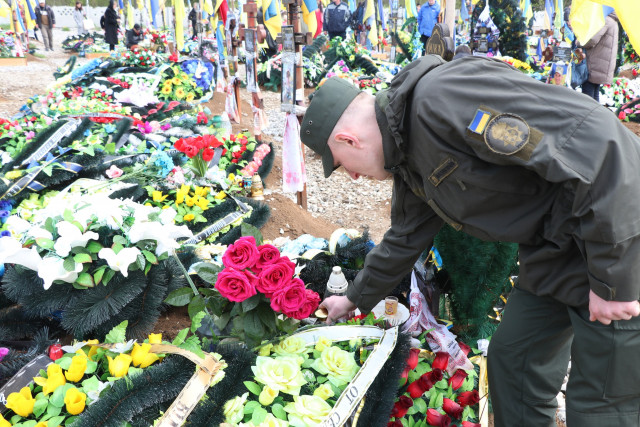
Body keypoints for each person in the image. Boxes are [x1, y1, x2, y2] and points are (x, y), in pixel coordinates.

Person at [300, 55, 640, 427]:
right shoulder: (409, 150)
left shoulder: (440, 98)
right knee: (516, 363)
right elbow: (405, 237)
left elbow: (602, 145)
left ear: (347, 138)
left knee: (604, 400)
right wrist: (353, 297)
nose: (352, 176)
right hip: (558, 250)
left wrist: (613, 283)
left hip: (618, 232)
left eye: (343, 164)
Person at [581, 12, 619, 102]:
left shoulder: (605, 20)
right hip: (601, 65)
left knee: (587, 99)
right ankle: (596, 115)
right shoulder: (613, 22)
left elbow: (592, 39)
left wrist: (580, 42)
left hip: (594, 64)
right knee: (594, 96)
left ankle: (591, 116)